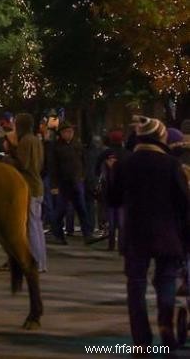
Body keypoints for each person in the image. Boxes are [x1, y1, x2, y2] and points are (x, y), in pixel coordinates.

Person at [108, 116, 189, 349]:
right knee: (166, 281)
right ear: (161, 137)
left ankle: (141, 339)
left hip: (135, 235)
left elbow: (113, 200)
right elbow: (184, 204)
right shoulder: (172, 165)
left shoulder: (125, 163)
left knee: (136, 285)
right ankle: (166, 328)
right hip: (167, 233)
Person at [7, 113, 46, 273]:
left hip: (28, 186)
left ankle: (35, 262)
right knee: (36, 225)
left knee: (30, 226)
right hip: (37, 185)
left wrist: (8, 159)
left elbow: (22, 164)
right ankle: (41, 262)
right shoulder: (36, 140)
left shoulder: (25, 141)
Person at [49, 121, 94, 244]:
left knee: (82, 209)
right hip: (63, 183)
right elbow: (53, 166)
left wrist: (83, 176)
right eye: (66, 132)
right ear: (61, 133)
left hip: (76, 182)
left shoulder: (77, 145)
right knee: (60, 211)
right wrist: (54, 185)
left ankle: (88, 235)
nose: (69, 134)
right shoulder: (56, 147)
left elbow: (84, 162)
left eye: (71, 132)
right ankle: (58, 235)